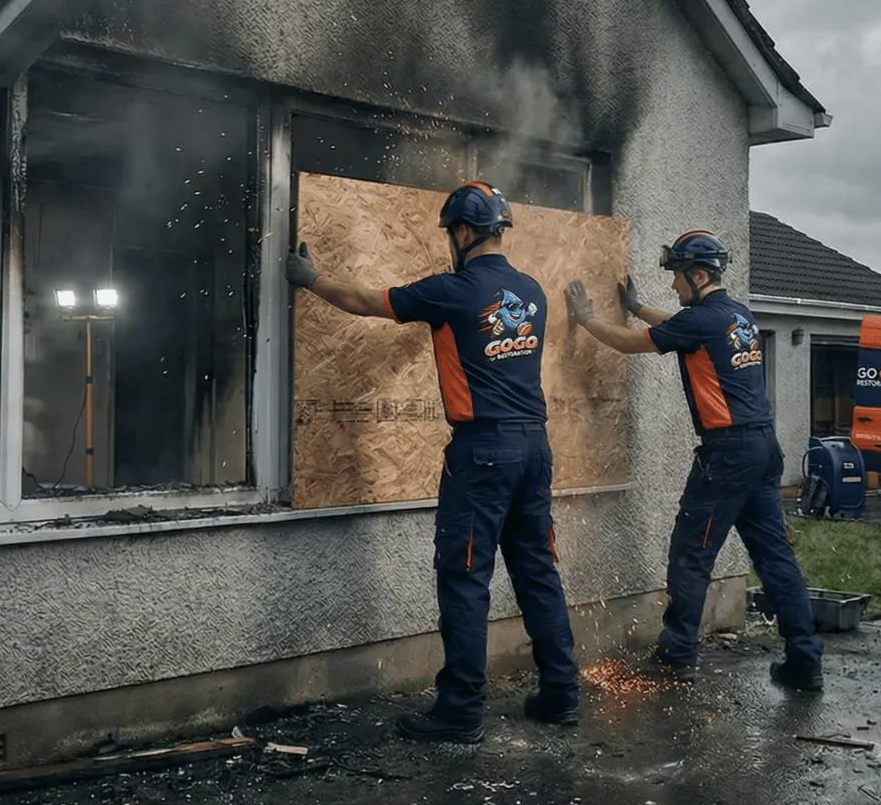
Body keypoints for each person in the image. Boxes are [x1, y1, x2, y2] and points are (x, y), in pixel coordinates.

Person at [286, 182, 581, 743]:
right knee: (538, 573)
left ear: (465, 232)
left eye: (452, 233)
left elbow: (374, 302)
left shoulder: (454, 289)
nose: (450, 242)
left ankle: (461, 711)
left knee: (466, 577)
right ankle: (561, 695)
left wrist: (312, 280)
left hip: (484, 452)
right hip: (534, 449)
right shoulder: (532, 291)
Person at [564, 231, 824, 691]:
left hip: (726, 454)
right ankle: (805, 660)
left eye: (677, 278)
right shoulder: (736, 315)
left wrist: (585, 320)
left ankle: (677, 654)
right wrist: (638, 306)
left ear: (698, 275)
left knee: (691, 553)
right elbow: (677, 326)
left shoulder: (701, 322)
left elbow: (630, 343)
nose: (673, 287)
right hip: (763, 449)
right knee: (775, 557)